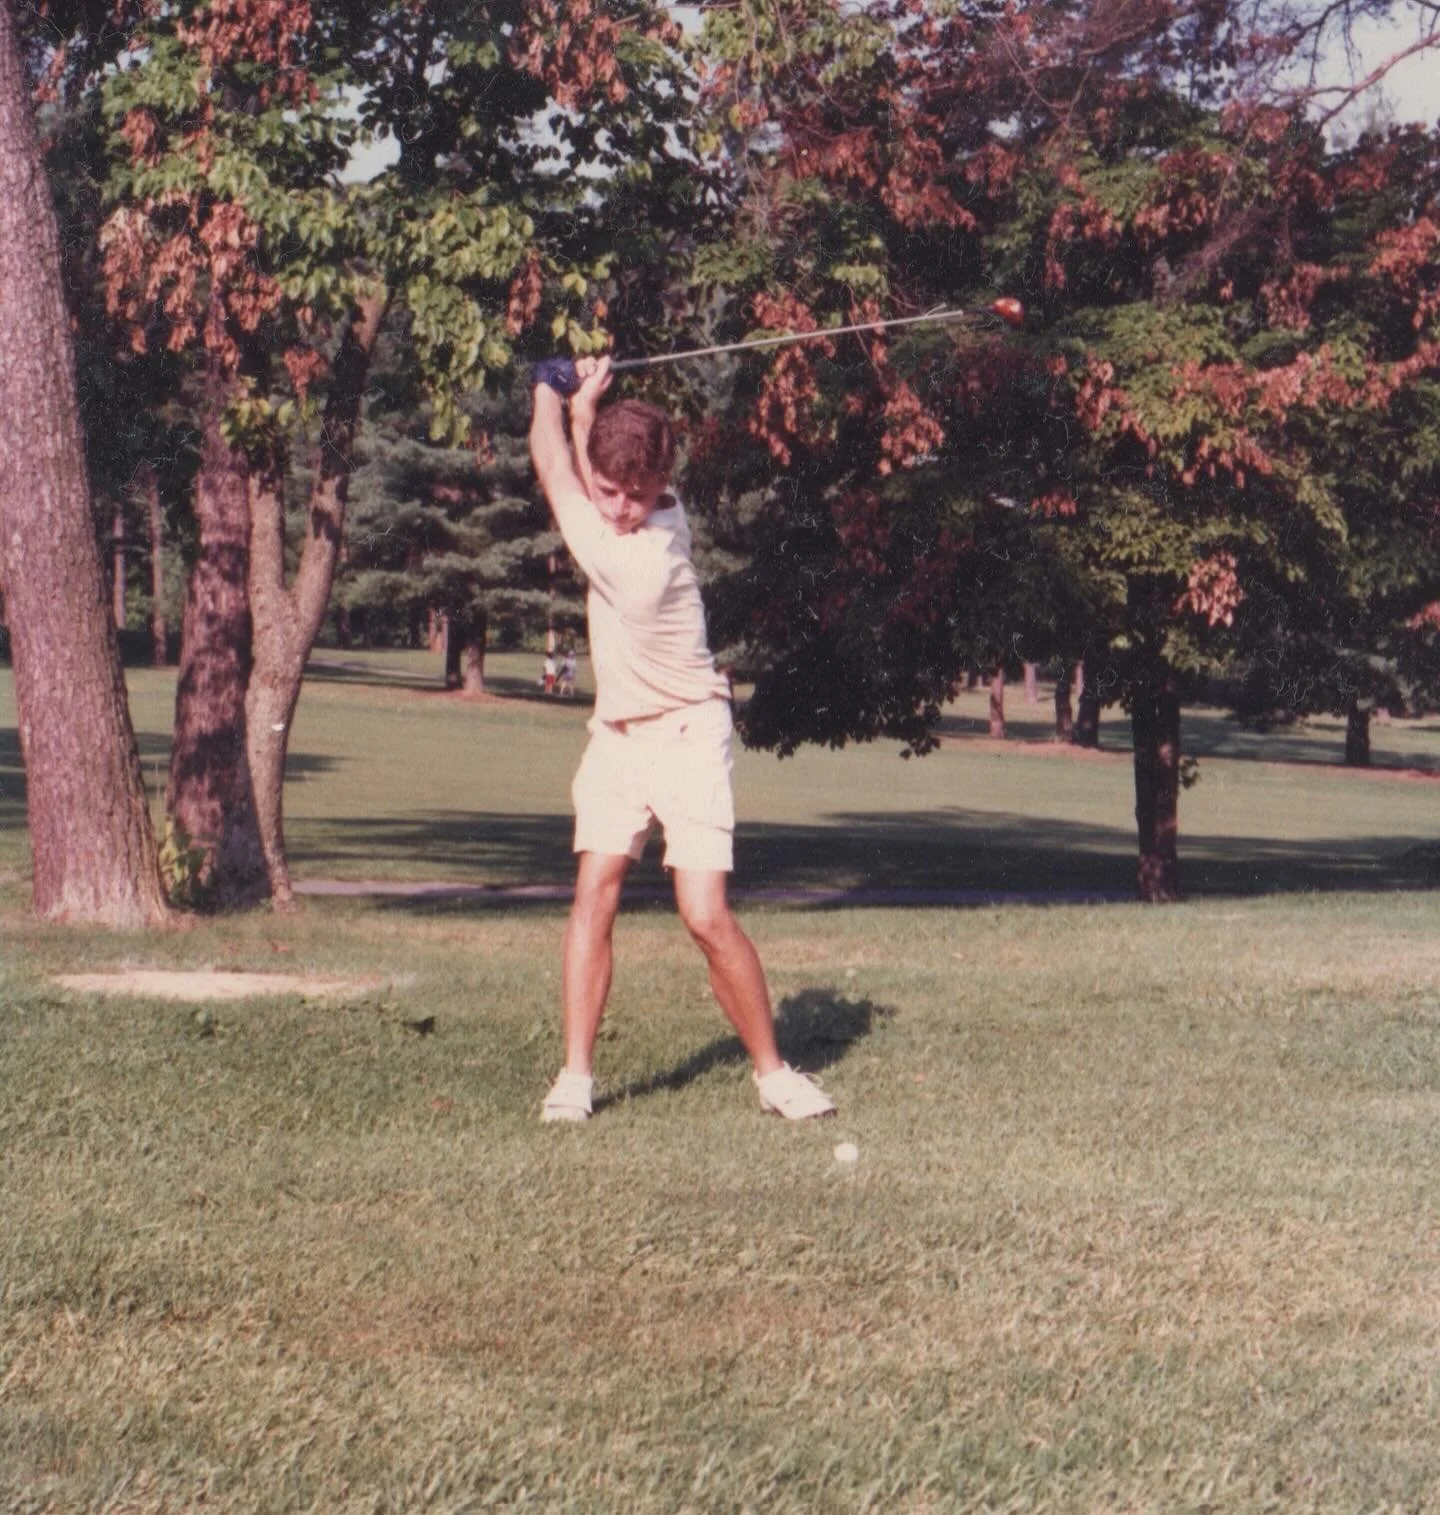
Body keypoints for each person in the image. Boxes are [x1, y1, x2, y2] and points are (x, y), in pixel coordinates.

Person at [528, 354, 835, 1123]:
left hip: (689, 729)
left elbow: (554, 466)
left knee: (702, 912)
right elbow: (585, 466)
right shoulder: (638, 506)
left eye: (637, 495)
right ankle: (575, 1076)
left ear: (663, 484)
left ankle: (773, 1072)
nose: (621, 508)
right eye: (610, 491)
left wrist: (546, 389)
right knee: (594, 889)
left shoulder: (644, 558)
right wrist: (584, 409)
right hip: (618, 736)